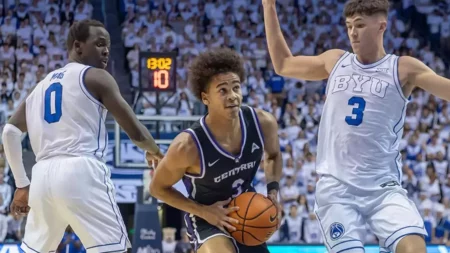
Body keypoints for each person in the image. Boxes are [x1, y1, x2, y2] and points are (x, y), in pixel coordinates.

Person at [263, 0, 450, 252]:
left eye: (360, 25)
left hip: (382, 187)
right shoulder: (335, 61)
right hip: (336, 189)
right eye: (349, 25)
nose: (352, 32)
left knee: (415, 248)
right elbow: (283, 64)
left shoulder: (403, 68)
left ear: (381, 26)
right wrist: (269, 7)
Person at [1, 19, 163, 253]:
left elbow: (9, 131)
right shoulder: (96, 76)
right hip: (81, 170)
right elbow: (135, 129)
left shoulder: (40, 86)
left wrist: (21, 185)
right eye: (98, 43)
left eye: (107, 44)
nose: (106, 49)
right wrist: (154, 150)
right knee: (114, 249)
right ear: (78, 46)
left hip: (42, 176)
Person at [149, 48, 283, 253]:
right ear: (205, 98)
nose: (232, 96)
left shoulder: (263, 123)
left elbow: (273, 155)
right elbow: (157, 188)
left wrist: (273, 192)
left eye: (236, 88)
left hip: (246, 209)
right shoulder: (188, 145)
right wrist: (204, 211)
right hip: (205, 216)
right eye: (223, 90)